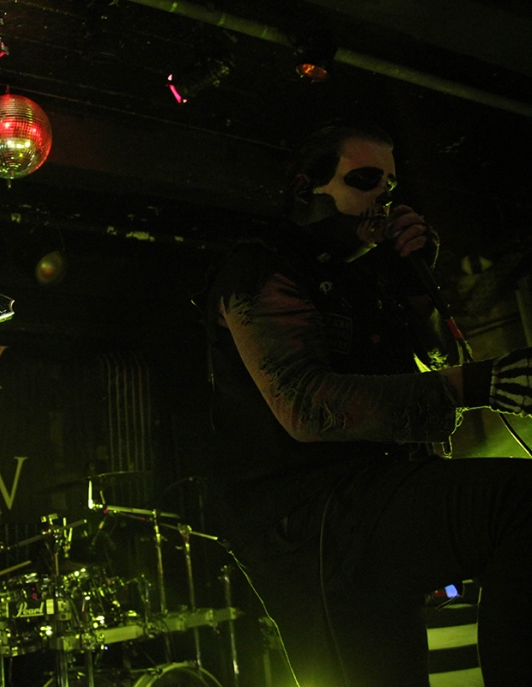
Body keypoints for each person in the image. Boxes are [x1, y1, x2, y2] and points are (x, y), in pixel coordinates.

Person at [203, 122, 532, 686]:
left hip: (371, 497)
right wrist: (472, 386)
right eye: (364, 180)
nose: (384, 198)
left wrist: (415, 281)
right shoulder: (261, 267)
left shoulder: (370, 277)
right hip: (312, 513)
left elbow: (435, 358)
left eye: (391, 185)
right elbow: (306, 406)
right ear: (307, 188)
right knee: (518, 500)